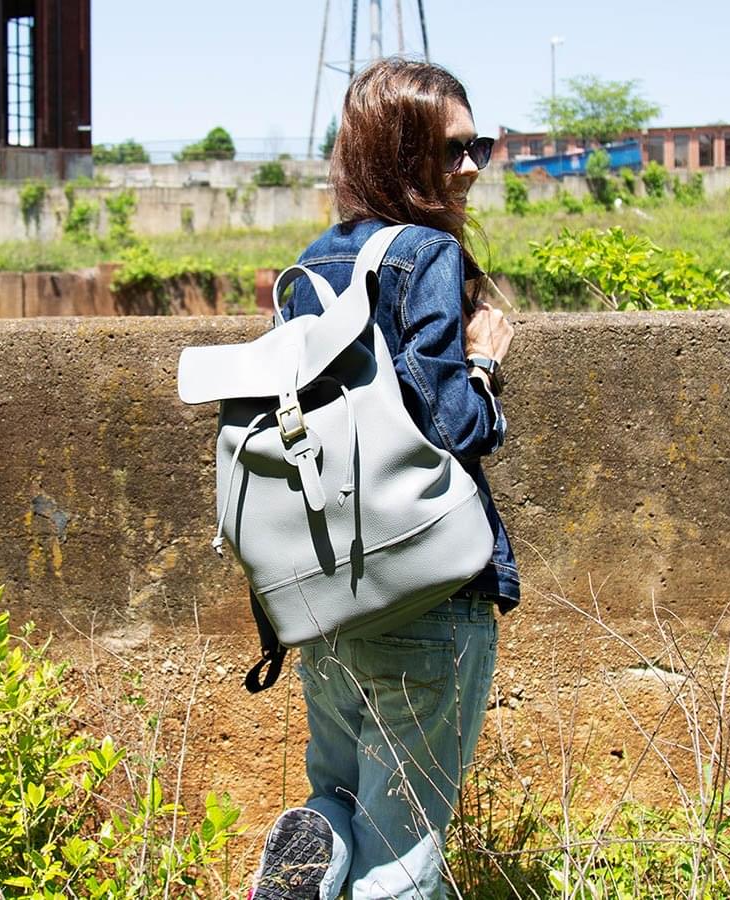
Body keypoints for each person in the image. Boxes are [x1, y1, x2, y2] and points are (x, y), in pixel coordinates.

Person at [250, 58, 519, 900]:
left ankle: (316, 833)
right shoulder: (426, 255)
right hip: (425, 594)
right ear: (401, 154)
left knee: (342, 792)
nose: (472, 166)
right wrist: (483, 365)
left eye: (481, 145)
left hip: (331, 602)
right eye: (452, 150)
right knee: (403, 852)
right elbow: (451, 426)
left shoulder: (314, 265)